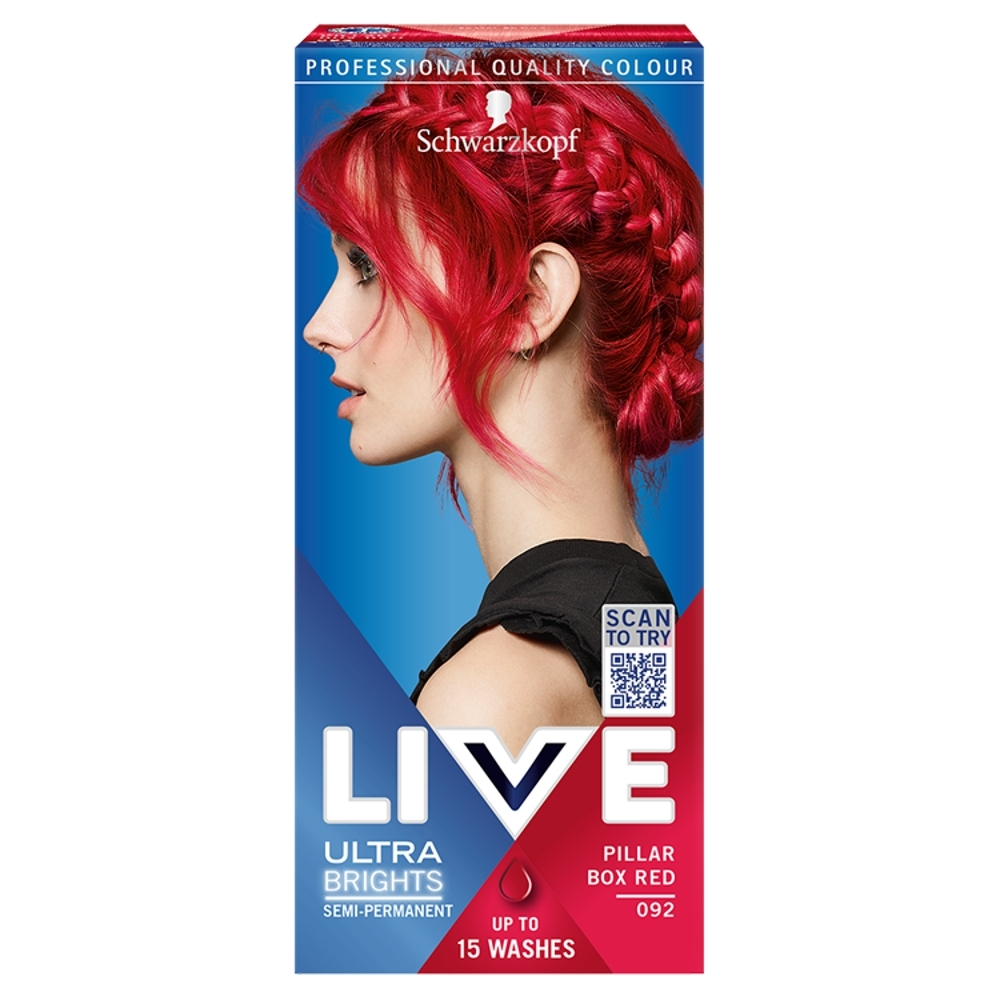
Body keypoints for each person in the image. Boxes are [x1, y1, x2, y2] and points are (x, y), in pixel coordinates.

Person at [299, 51, 703, 754]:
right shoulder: (637, 628)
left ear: (529, 301)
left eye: (367, 266)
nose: (319, 327)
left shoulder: (492, 697)